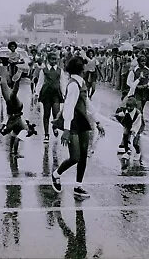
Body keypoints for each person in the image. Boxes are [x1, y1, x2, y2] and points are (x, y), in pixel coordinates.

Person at [51, 56, 105, 198]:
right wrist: (67, 129)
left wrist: (98, 121)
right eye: (84, 65)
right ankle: (56, 174)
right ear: (81, 68)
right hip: (72, 123)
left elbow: (87, 103)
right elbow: (68, 108)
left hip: (82, 121)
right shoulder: (74, 85)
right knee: (75, 157)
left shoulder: (81, 83)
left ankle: (78, 185)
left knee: (83, 156)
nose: (87, 67)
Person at [0, 62, 37, 155]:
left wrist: (11, 151)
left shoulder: (20, 128)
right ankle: (16, 79)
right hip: (15, 109)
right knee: (11, 95)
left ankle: (4, 69)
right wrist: (15, 153)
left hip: (14, 111)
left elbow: (12, 139)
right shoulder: (24, 130)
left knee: (7, 91)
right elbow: (16, 141)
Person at [35, 52, 66, 143]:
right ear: (48, 60)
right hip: (46, 94)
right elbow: (40, 82)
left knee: (56, 113)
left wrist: (64, 94)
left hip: (56, 94)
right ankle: (46, 135)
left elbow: (62, 83)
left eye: (55, 59)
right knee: (46, 114)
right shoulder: (44, 70)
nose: (54, 61)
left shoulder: (60, 71)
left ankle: (54, 126)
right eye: (52, 59)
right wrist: (37, 94)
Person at [115, 96, 142, 164]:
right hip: (129, 124)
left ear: (134, 106)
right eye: (128, 106)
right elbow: (122, 114)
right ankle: (127, 151)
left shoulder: (138, 114)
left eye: (131, 107)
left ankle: (138, 152)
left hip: (138, 127)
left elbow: (137, 124)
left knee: (135, 143)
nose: (129, 108)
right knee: (125, 136)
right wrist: (118, 115)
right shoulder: (126, 110)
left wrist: (133, 131)